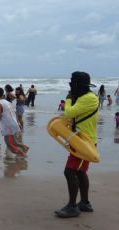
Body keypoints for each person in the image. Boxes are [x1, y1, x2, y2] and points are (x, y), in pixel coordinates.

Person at [54, 71, 99, 218]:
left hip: (84, 143)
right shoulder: (84, 97)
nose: (71, 88)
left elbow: (69, 113)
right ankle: (85, 203)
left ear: (78, 86)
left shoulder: (89, 98)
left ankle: (72, 207)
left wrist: (68, 99)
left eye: (72, 85)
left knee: (69, 172)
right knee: (80, 172)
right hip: (80, 140)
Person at [0, 87, 28, 157]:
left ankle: (22, 155)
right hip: (13, 124)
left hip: (8, 126)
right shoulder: (7, 102)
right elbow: (14, 113)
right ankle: (24, 147)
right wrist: (18, 123)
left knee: (9, 144)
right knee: (13, 141)